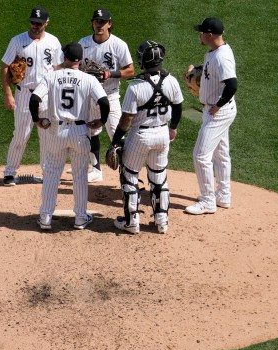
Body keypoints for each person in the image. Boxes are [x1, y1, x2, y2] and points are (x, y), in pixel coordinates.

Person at [30, 42, 109, 230]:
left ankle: (45, 218)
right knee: (80, 175)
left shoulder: (51, 76)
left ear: (64, 57)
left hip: (56, 131)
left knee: (51, 173)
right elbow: (104, 103)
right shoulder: (88, 79)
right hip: (80, 133)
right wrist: (101, 121)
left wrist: (37, 120)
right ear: (80, 60)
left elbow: (34, 99)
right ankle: (81, 218)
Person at [109, 40, 184, 234]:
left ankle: (131, 221)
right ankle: (162, 221)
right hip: (162, 134)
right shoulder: (171, 80)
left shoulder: (135, 87)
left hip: (140, 135)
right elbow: (178, 107)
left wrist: (115, 141)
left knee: (129, 176)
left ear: (143, 60)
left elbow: (126, 119)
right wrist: (173, 128)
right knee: (158, 177)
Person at [1, 6, 63, 186]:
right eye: (33, 22)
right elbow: (5, 66)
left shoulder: (53, 42)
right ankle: (10, 173)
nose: (35, 26)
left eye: (39, 23)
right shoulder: (17, 41)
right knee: (20, 135)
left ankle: (47, 172)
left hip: (46, 96)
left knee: (47, 137)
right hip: (24, 95)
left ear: (46, 23)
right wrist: (8, 94)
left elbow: (58, 68)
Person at [185, 17, 237, 214]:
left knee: (200, 156)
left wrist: (217, 105)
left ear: (209, 35)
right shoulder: (214, 52)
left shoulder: (222, 56)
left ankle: (208, 201)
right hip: (218, 110)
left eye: (201, 32)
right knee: (221, 154)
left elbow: (232, 85)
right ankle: (223, 195)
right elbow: (215, 75)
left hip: (218, 113)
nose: (199, 35)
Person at [76, 9, 134, 183]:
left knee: (117, 135)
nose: (99, 25)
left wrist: (111, 74)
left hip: (110, 96)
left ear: (109, 24)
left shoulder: (118, 45)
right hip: (90, 97)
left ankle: (127, 172)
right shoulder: (83, 43)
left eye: (103, 22)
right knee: (91, 132)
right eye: (96, 21)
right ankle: (95, 169)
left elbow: (130, 71)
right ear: (92, 23)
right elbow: (77, 67)